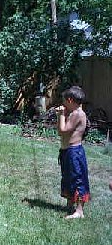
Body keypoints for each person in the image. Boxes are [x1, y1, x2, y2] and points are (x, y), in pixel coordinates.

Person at [56, 86, 90, 219]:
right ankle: (70, 204)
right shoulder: (73, 113)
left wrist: (60, 115)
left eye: (64, 101)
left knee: (77, 179)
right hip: (67, 151)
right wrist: (63, 115)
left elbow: (62, 130)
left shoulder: (78, 114)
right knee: (68, 178)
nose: (63, 104)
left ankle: (79, 211)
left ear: (70, 100)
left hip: (74, 152)